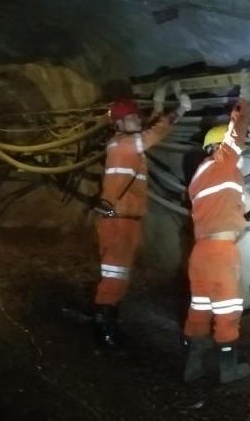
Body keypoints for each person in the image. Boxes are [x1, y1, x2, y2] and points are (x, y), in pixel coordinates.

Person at [93, 81, 191, 348]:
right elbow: (153, 134)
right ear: (119, 124)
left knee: (118, 276)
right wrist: (180, 110)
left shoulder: (126, 143)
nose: (137, 119)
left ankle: (108, 320)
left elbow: (147, 129)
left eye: (137, 116)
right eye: (131, 117)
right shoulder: (123, 145)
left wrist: (159, 105)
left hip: (124, 220)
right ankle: (104, 329)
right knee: (114, 276)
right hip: (117, 222)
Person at [182, 70, 250, 383]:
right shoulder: (223, 162)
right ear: (219, 145)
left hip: (200, 253)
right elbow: (237, 130)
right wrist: (245, 97)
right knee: (228, 310)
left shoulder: (198, 177)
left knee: (199, 307)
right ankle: (228, 369)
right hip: (222, 252)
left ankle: (192, 365)